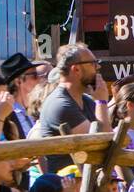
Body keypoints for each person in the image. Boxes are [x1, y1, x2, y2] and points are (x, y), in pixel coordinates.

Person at [33, 44, 112, 172]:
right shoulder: (60, 105)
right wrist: (101, 101)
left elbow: (109, 143)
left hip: (83, 184)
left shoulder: (86, 101)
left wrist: (99, 102)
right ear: (76, 69)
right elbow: (102, 143)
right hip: (66, 187)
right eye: (93, 63)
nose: (98, 67)